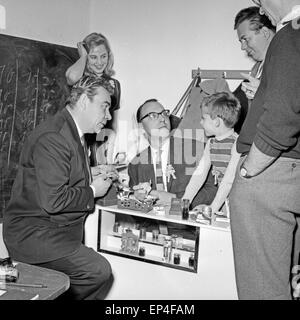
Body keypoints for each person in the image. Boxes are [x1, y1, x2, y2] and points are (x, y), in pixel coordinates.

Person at [3, 77, 116, 300]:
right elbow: (54, 200)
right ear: (84, 100)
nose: (109, 115)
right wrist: (93, 190)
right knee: (97, 271)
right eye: (104, 106)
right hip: (35, 235)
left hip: (56, 234)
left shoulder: (72, 131)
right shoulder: (55, 136)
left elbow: (58, 175)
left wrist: (91, 173)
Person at [230, 0, 300, 300]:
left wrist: (248, 170)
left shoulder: (289, 36)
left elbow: (283, 115)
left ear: (266, 31)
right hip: (287, 173)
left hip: (269, 173)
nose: (261, 5)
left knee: (262, 291)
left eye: (247, 38)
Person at [128, 99, 217, 208]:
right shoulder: (135, 165)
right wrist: (136, 199)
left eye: (164, 113)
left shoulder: (198, 149)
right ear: (141, 127)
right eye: (153, 115)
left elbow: (212, 191)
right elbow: (133, 208)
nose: (162, 118)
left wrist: (175, 200)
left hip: (187, 223)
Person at [66, 32, 121, 165]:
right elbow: (71, 77)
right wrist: (83, 56)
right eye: (93, 57)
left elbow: (113, 122)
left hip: (103, 144)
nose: (99, 62)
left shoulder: (115, 84)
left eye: (103, 56)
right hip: (81, 140)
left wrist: (111, 151)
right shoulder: (81, 80)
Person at [182, 92, 241, 216]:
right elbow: (199, 175)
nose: (200, 122)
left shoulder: (237, 144)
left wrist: (213, 209)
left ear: (216, 122)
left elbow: (229, 181)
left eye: (203, 118)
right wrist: (185, 202)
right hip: (224, 198)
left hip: (240, 199)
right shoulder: (211, 143)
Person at [233, 6, 275, 133]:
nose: (243, 47)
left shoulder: (288, 60)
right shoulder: (257, 69)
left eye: (245, 39)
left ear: (265, 33)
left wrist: (263, 94)